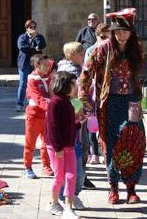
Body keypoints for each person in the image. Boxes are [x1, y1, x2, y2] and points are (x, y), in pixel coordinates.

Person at [79, 8, 146, 204]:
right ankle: (113, 187)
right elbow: (85, 73)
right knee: (111, 144)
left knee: (135, 141)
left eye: (125, 31)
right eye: (117, 32)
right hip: (109, 103)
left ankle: (131, 188)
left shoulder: (136, 49)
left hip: (131, 102)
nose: (121, 35)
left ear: (131, 33)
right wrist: (83, 99)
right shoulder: (103, 49)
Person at [45, 71, 81, 219]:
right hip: (57, 147)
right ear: (65, 85)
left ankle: (68, 208)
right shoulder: (55, 102)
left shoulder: (68, 102)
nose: (77, 86)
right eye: (74, 84)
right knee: (59, 177)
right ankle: (53, 203)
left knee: (71, 176)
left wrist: (78, 124)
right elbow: (52, 126)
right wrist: (58, 147)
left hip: (69, 146)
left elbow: (68, 125)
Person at [57, 42, 88, 209]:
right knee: (73, 165)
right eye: (80, 53)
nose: (83, 56)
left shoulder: (76, 69)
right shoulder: (70, 73)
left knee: (82, 154)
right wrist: (80, 110)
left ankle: (72, 193)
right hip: (72, 126)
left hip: (78, 120)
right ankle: (67, 195)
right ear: (71, 55)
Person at [23, 54, 54, 179]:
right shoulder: (32, 81)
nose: (48, 67)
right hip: (34, 116)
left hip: (47, 116)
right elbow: (38, 98)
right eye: (45, 65)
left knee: (47, 142)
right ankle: (27, 167)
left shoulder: (48, 78)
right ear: (37, 65)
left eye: (48, 65)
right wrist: (51, 108)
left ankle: (47, 166)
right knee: (30, 143)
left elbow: (52, 63)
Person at [84, 22, 110, 166]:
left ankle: (105, 153)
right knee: (92, 124)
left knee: (106, 125)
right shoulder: (91, 50)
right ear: (97, 36)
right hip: (94, 92)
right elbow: (86, 73)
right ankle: (94, 153)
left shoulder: (113, 50)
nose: (105, 39)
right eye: (102, 36)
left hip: (107, 92)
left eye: (108, 36)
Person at [16, 19, 47, 112]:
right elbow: (22, 47)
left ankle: (37, 102)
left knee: (38, 82)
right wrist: (35, 49)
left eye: (34, 27)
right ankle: (20, 103)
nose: (32, 29)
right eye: (30, 27)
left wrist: (36, 37)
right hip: (24, 63)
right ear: (27, 28)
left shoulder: (39, 37)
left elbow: (42, 45)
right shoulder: (22, 37)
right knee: (23, 82)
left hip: (36, 63)